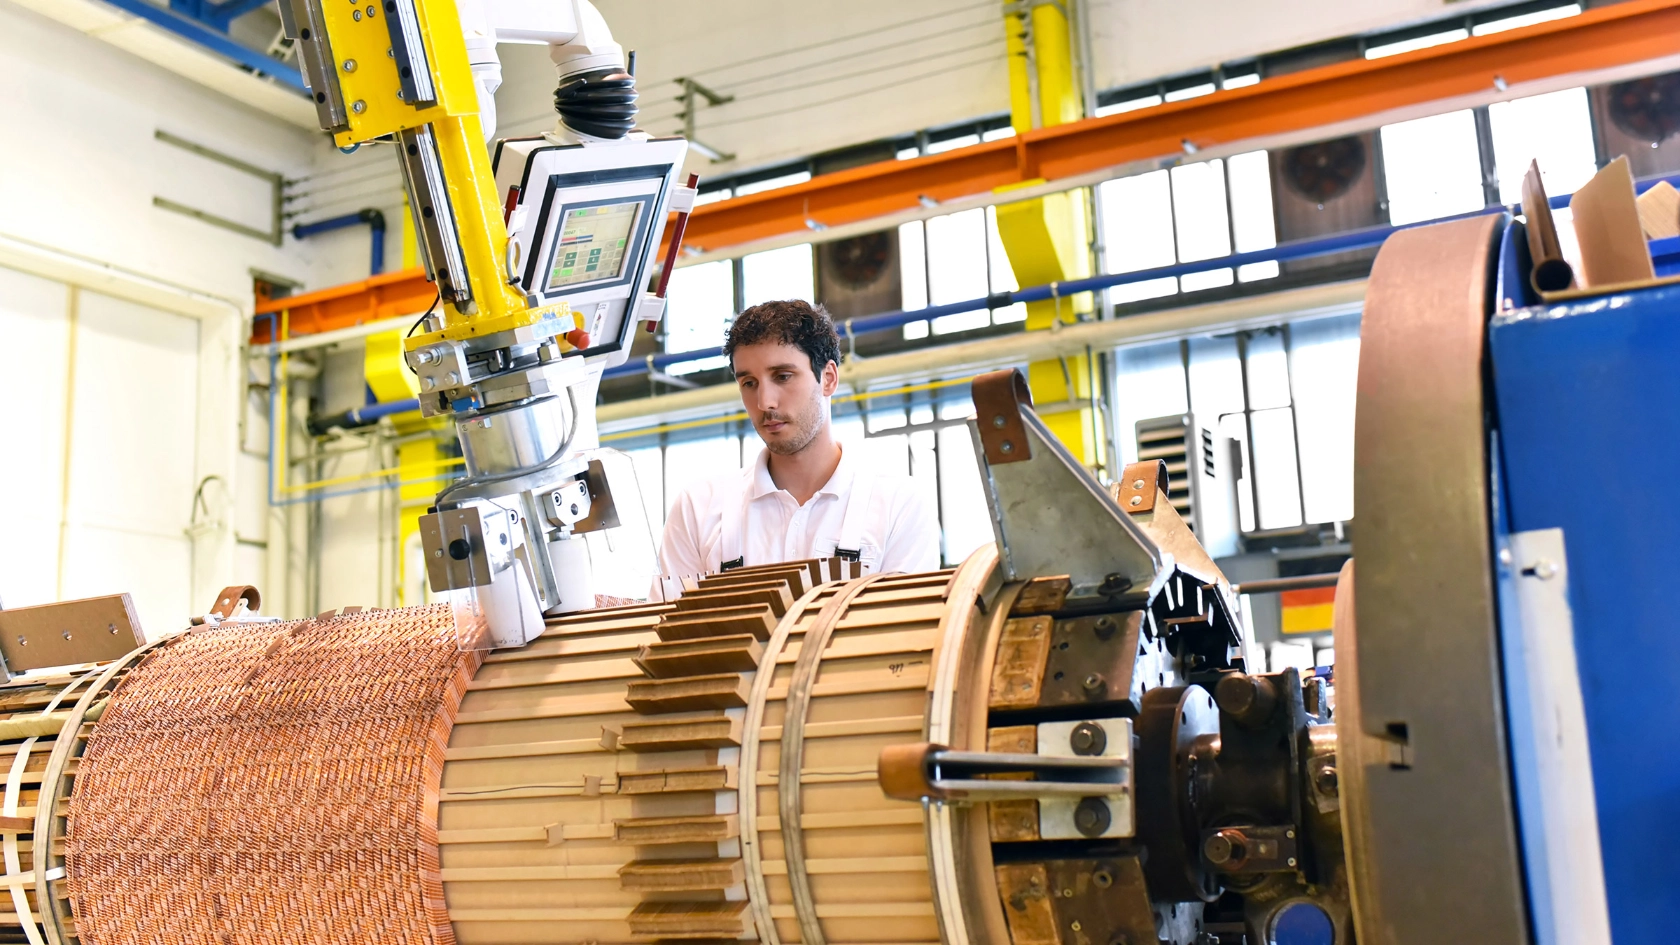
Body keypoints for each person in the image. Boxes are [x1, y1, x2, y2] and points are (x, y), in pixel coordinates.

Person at [657, 299, 941, 579]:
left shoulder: (899, 506)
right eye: (749, 383)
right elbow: (668, 610)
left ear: (828, 378)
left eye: (783, 376)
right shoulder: (698, 509)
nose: (765, 402)